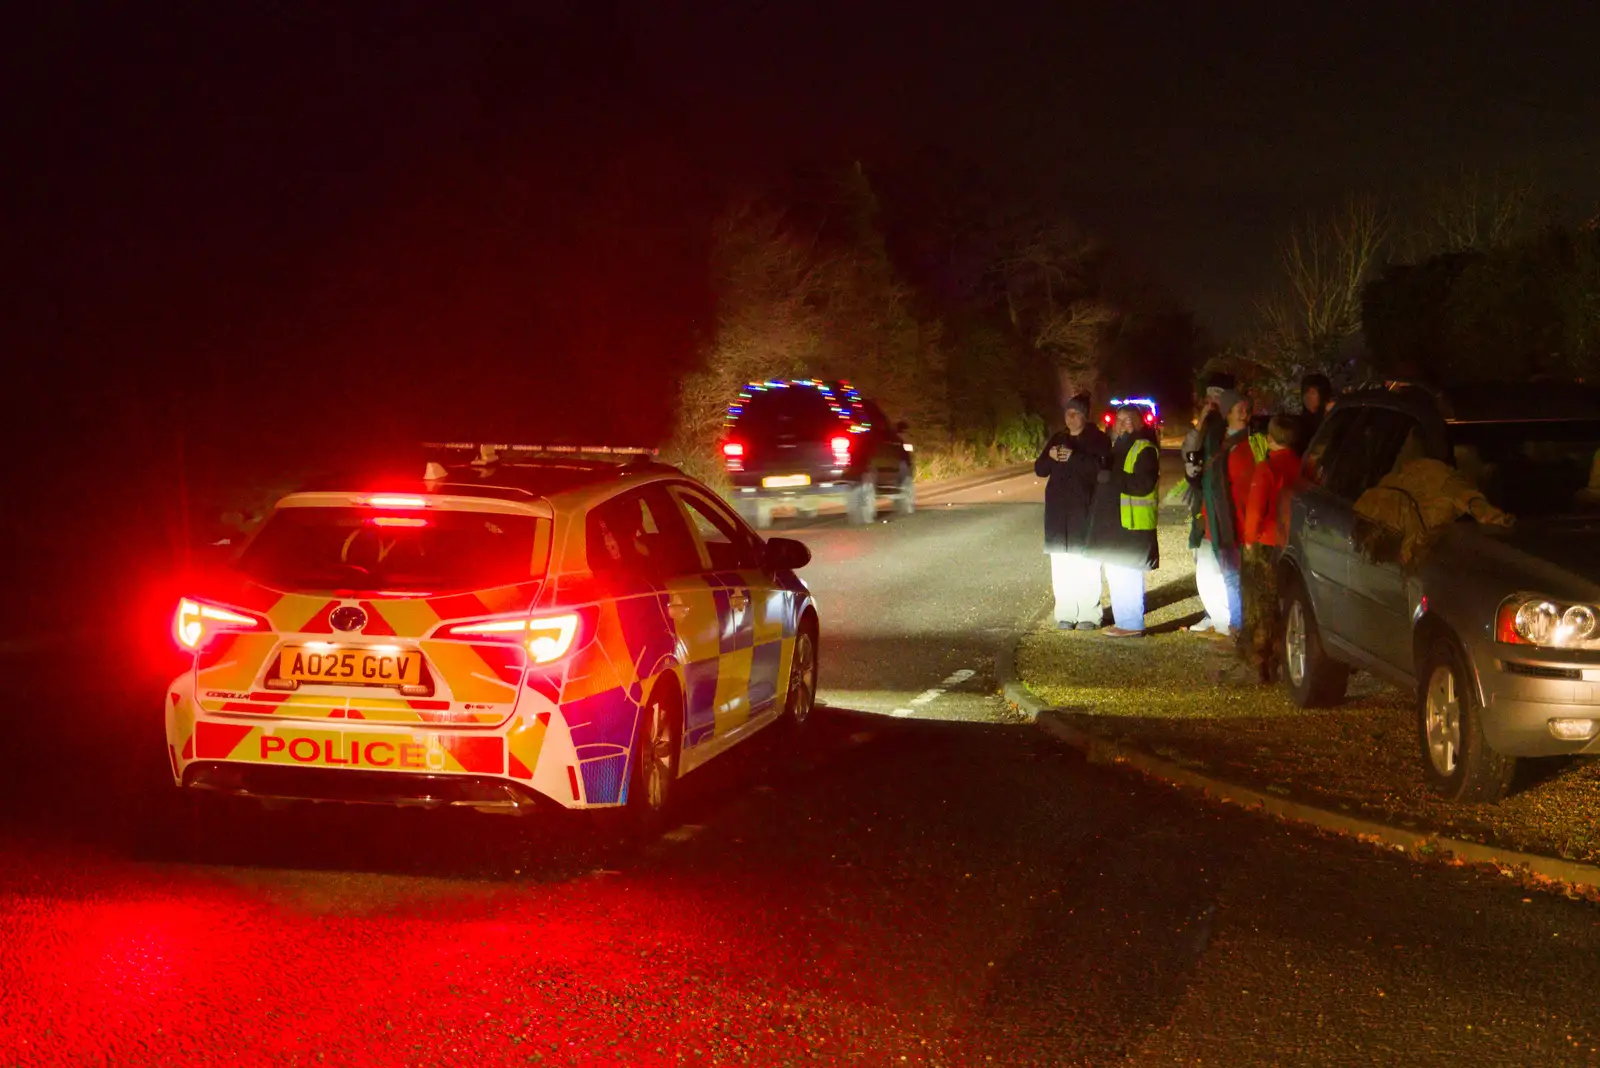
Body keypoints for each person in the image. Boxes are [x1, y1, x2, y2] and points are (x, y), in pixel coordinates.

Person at [1035, 394, 1111, 630]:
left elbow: (1101, 470)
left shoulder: (1097, 439)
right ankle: (1066, 613)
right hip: (1058, 513)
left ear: (1084, 416)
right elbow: (1040, 470)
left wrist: (1075, 458)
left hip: (1084, 509)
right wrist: (1049, 457)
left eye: (1075, 413)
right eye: (1068, 412)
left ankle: (1089, 614)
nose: (1070, 417)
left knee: (1085, 563)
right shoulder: (1058, 438)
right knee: (1061, 565)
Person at [1085, 405, 1161, 637]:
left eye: (1128, 420)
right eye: (1119, 420)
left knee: (1127, 574)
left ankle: (1131, 624)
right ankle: (1125, 622)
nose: (1122, 424)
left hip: (1132, 524)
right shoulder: (1118, 446)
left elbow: (1142, 484)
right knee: (1118, 573)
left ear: (1139, 423)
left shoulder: (1144, 448)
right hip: (1119, 524)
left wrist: (1112, 477)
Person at [1237, 414, 1302, 681]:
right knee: (1283, 601)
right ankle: (1283, 655)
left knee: (1259, 604)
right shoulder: (1300, 466)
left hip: (1265, 543)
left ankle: (1260, 661)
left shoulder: (1266, 469)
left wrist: (1249, 538)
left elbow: (1255, 509)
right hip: (1292, 543)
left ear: (1269, 439)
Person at [1191, 389, 1255, 636]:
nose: (1244, 412)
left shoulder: (1253, 442)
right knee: (1224, 575)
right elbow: (1195, 461)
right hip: (1219, 518)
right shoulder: (1216, 441)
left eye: (1246, 408)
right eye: (1238, 407)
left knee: (1236, 577)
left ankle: (1239, 627)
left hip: (1240, 519)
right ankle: (1231, 623)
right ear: (1228, 412)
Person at [1299, 372, 1333, 444]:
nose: (1307, 397)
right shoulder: (1301, 422)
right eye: (1305, 392)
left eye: (1312, 393)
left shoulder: (1332, 415)